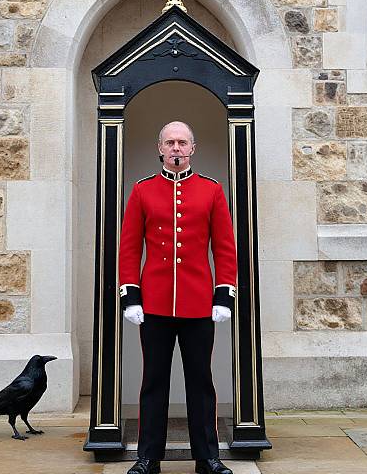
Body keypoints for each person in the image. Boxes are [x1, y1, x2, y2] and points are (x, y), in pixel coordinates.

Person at [119, 121, 237, 474]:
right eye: (170, 142)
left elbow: (225, 248)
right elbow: (129, 249)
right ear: (160, 149)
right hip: (153, 304)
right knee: (154, 381)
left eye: (182, 142)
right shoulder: (142, 191)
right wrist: (131, 296)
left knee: (200, 382)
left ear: (192, 148)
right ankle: (148, 457)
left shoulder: (212, 191)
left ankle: (207, 457)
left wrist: (223, 295)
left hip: (200, 303)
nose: (176, 148)